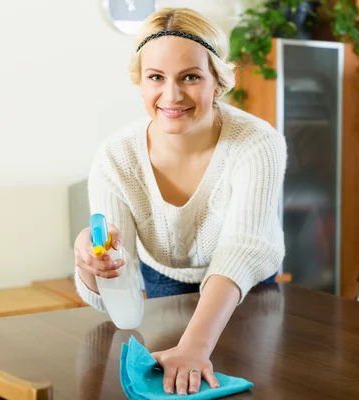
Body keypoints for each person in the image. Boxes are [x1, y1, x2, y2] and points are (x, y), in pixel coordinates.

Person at [73, 7, 287, 396]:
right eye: (156, 77)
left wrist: (195, 346)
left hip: (248, 295)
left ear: (218, 82)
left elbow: (242, 249)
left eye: (190, 76)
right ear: (141, 82)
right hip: (165, 285)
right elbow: (114, 294)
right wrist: (91, 265)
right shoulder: (115, 157)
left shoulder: (258, 143)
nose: (171, 95)